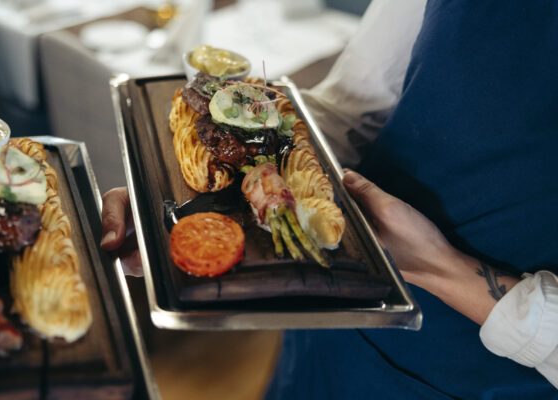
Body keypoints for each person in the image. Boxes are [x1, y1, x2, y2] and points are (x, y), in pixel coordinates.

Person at [100, 0, 558, 397]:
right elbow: (352, 108)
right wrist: (174, 194)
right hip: (331, 294)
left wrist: (443, 268)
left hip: (481, 376)